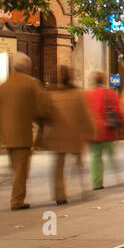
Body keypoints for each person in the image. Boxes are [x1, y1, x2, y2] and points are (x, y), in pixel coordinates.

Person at [0, 52, 50, 210]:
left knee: (15, 167)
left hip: (6, 135)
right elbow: (42, 107)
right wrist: (42, 121)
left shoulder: (3, 86)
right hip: (22, 133)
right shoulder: (31, 83)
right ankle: (17, 200)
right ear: (27, 66)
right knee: (20, 169)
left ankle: (16, 196)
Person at [45, 65, 95, 204]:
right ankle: (84, 188)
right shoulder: (77, 94)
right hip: (74, 134)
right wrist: (90, 131)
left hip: (57, 135)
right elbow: (84, 115)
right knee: (79, 163)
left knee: (58, 167)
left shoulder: (52, 94)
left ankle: (60, 195)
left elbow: (46, 114)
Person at [84, 72, 124, 190]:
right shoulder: (110, 94)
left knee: (96, 156)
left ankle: (96, 183)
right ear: (103, 81)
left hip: (93, 131)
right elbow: (119, 111)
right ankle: (119, 178)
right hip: (108, 130)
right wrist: (123, 127)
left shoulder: (86, 95)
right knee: (112, 155)